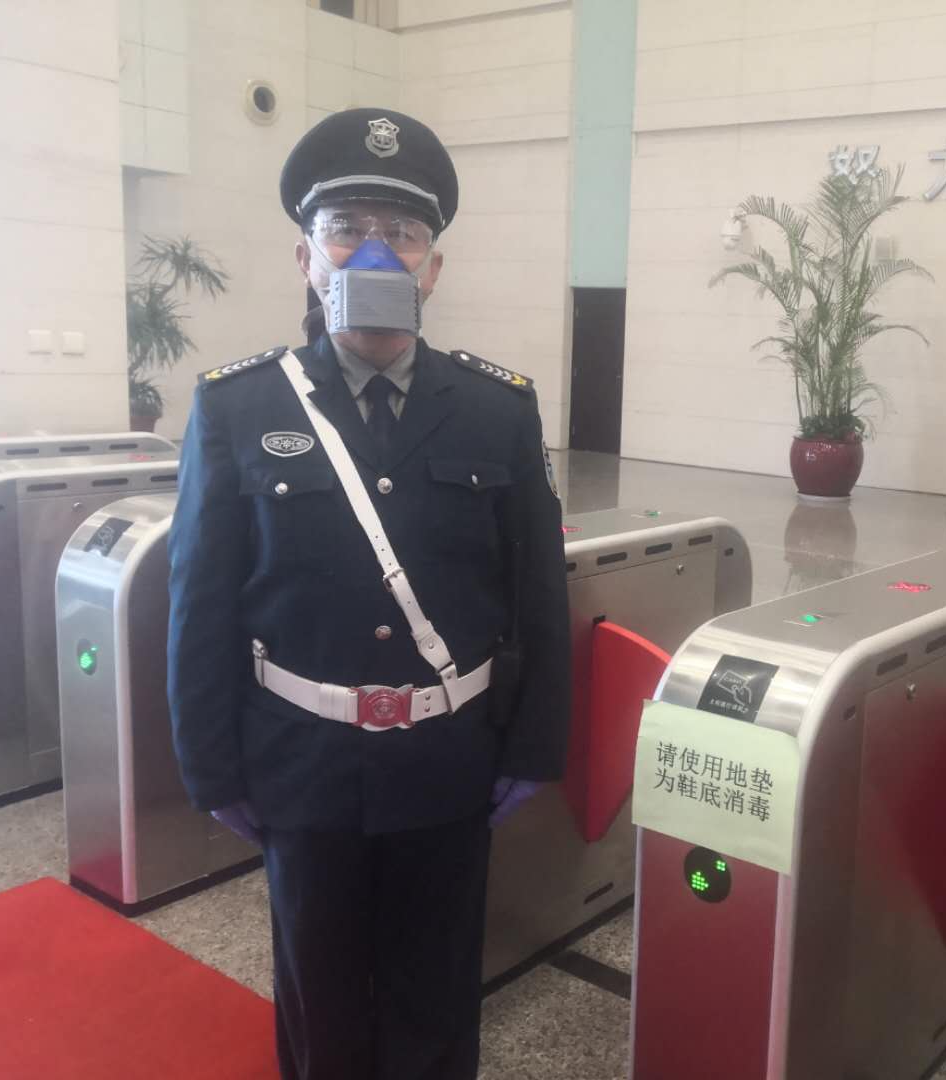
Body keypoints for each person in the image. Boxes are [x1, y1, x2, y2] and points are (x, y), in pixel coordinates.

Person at [167, 107, 570, 1080]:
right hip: (300, 763)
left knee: (438, 1004)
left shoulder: (497, 408)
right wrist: (210, 766)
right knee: (323, 1005)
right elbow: (200, 598)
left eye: (405, 232)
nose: (376, 252)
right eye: (347, 227)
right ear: (305, 256)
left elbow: (537, 594)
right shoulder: (238, 406)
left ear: (435, 269)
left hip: (447, 759)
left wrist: (533, 746)